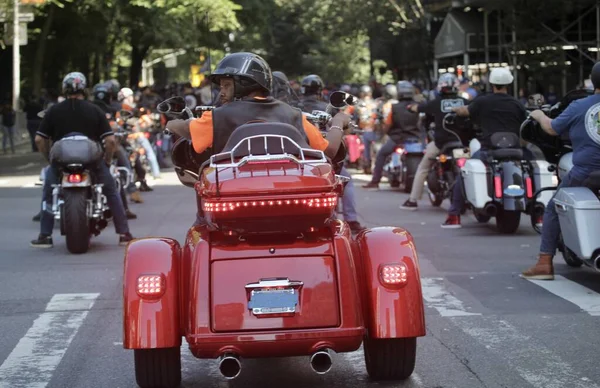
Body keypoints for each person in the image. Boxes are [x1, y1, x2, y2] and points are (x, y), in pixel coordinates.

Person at [165, 52, 348, 226]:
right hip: (291, 195)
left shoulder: (217, 116)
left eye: (226, 85)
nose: (221, 92)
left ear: (245, 83)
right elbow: (329, 151)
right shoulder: (293, 114)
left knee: (202, 225)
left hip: (233, 198)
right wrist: (338, 120)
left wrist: (172, 124)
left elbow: (188, 130)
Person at [30, 72, 134, 248]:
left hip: (61, 159)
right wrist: (107, 161)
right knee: (111, 190)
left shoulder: (54, 110)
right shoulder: (95, 110)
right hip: (91, 158)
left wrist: (50, 160)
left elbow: (39, 140)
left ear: (64, 89)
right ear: (84, 89)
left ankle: (45, 235)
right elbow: (110, 141)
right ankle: (124, 233)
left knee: (48, 191)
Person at [521, 62, 600, 280]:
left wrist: (537, 114)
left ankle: (544, 262)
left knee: (554, 207)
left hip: (586, 171)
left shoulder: (580, 106)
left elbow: (551, 128)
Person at [440, 67, 530, 228]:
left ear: (492, 84)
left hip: (490, 150)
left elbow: (465, 111)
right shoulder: (517, 104)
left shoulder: (483, 101)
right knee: (532, 167)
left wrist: (454, 109)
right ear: (509, 83)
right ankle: (539, 215)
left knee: (464, 172)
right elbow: (526, 125)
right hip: (516, 151)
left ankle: (454, 215)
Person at [295, 73, 364, 233]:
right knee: (346, 180)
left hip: (301, 156)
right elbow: (339, 135)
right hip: (324, 154)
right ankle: (351, 219)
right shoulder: (329, 107)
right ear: (319, 90)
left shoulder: (294, 108)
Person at [401, 73, 469, 210]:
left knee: (423, 167)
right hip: (463, 144)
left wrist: (411, 107)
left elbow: (418, 108)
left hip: (441, 143)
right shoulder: (464, 102)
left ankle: (413, 200)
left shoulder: (436, 103)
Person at [92, 83, 142, 217]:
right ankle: (129, 197)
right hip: (105, 145)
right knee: (119, 171)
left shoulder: (88, 108)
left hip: (90, 147)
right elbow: (115, 127)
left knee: (52, 176)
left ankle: (47, 209)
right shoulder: (112, 109)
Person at [363, 81, 419, 189]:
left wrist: (384, 133)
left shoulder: (394, 107)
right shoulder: (418, 106)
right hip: (415, 138)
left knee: (381, 154)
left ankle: (375, 181)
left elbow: (387, 124)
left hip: (397, 138)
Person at [118, 87, 161, 179]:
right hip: (136, 134)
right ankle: (155, 172)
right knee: (149, 152)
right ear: (128, 97)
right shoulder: (130, 108)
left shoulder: (118, 108)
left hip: (125, 136)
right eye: (131, 96)